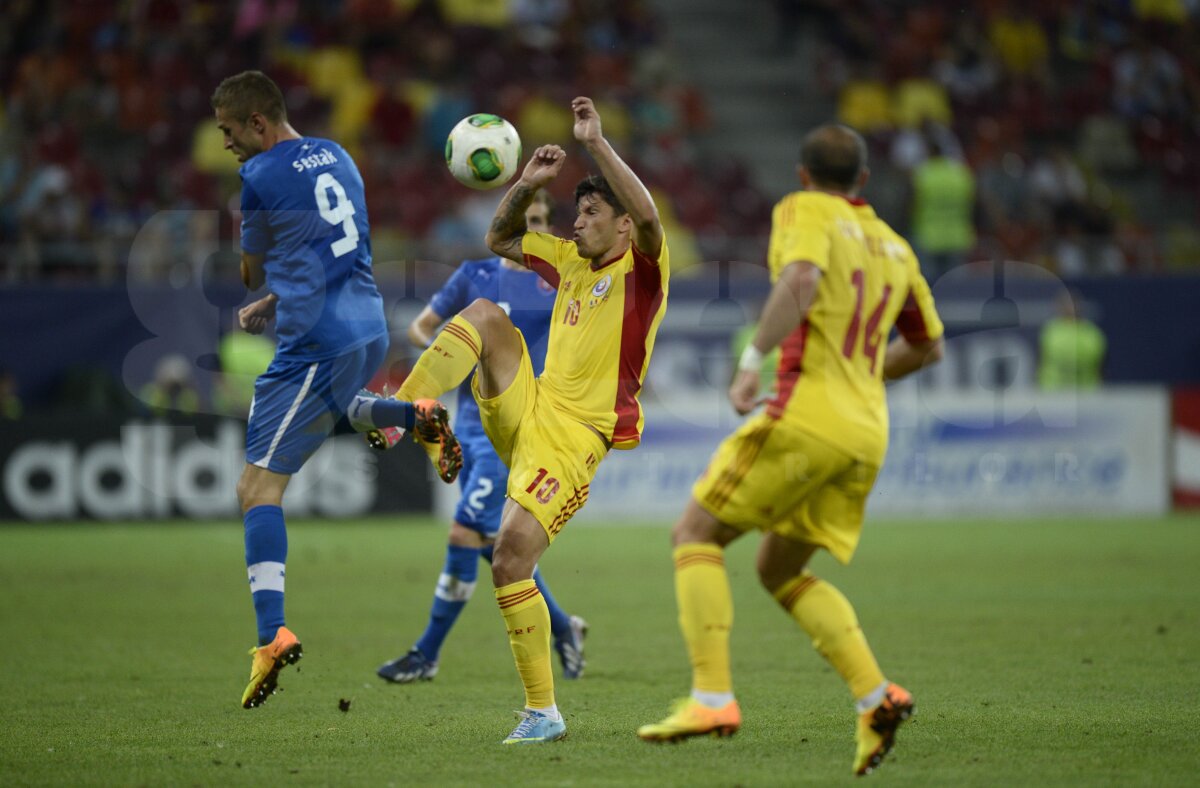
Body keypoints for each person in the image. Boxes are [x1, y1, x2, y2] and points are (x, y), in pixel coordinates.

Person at [636, 125, 945, 777]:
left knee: (694, 532)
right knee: (777, 570)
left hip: (806, 414)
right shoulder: (895, 245)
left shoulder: (804, 211)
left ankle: (711, 698)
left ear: (804, 176)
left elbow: (802, 277)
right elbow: (927, 346)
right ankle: (875, 697)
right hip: (866, 432)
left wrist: (753, 359)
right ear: (863, 181)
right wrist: (860, 376)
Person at [368, 96, 669, 744]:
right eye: (577, 209)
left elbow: (646, 212)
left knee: (508, 561)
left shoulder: (641, 269)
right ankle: (411, 410)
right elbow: (500, 239)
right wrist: (527, 182)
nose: (578, 221)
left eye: (591, 213)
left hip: (573, 439)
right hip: (529, 405)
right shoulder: (567, 262)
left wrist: (595, 141)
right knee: (483, 315)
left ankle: (543, 712)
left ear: (620, 228)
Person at [211, 70, 459, 710]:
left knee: (255, 488)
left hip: (315, 342)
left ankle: (272, 634)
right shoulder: (341, 155)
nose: (227, 145)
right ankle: (412, 411)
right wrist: (279, 295)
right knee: (329, 412)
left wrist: (259, 279)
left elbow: (248, 266)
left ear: (259, 124)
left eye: (231, 132)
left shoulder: (260, 176)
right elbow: (339, 251)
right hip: (369, 327)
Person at [376, 192, 589, 685]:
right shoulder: (474, 276)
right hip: (470, 422)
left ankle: (426, 654)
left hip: (522, 424)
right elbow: (420, 329)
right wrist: (465, 350)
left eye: (540, 223)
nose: (532, 231)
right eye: (524, 222)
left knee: (466, 533)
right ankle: (563, 626)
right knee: (492, 540)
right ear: (507, 226)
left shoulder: (558, 280)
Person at [1038, 290, 1105, 390]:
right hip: (1052, 392)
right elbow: (1041, 360)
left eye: (1073, 304)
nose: (1070, 308)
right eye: (1065, 304)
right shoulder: (1050, 331)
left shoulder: (1092, 333)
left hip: (1085, 393)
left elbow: (1100, 367)